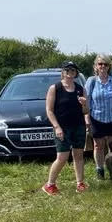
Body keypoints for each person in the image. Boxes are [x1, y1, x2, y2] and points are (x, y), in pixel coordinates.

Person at [43, 61, 89, 195]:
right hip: (62, 128)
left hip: (78, 126)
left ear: (76, 73)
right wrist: (57, 127)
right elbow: (49, 110)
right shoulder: (55, 88)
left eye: (73, 71)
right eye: (67, 70)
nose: (70, 73)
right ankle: (49, 184)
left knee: (78, 156)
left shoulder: (81, 89)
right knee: (62, 157)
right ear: (63, 72)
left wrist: (84, 104)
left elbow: (86, 111)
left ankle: (80, 183)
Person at [85, 54, 112, 181]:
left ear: (109, 66)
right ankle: (100, 170)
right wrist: (87, 118)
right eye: (100, 64)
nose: (102, 66)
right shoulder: (91, 81)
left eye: (105, 64)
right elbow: (87, 101)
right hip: (97, 118)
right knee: (98, 146)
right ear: (96, 66)